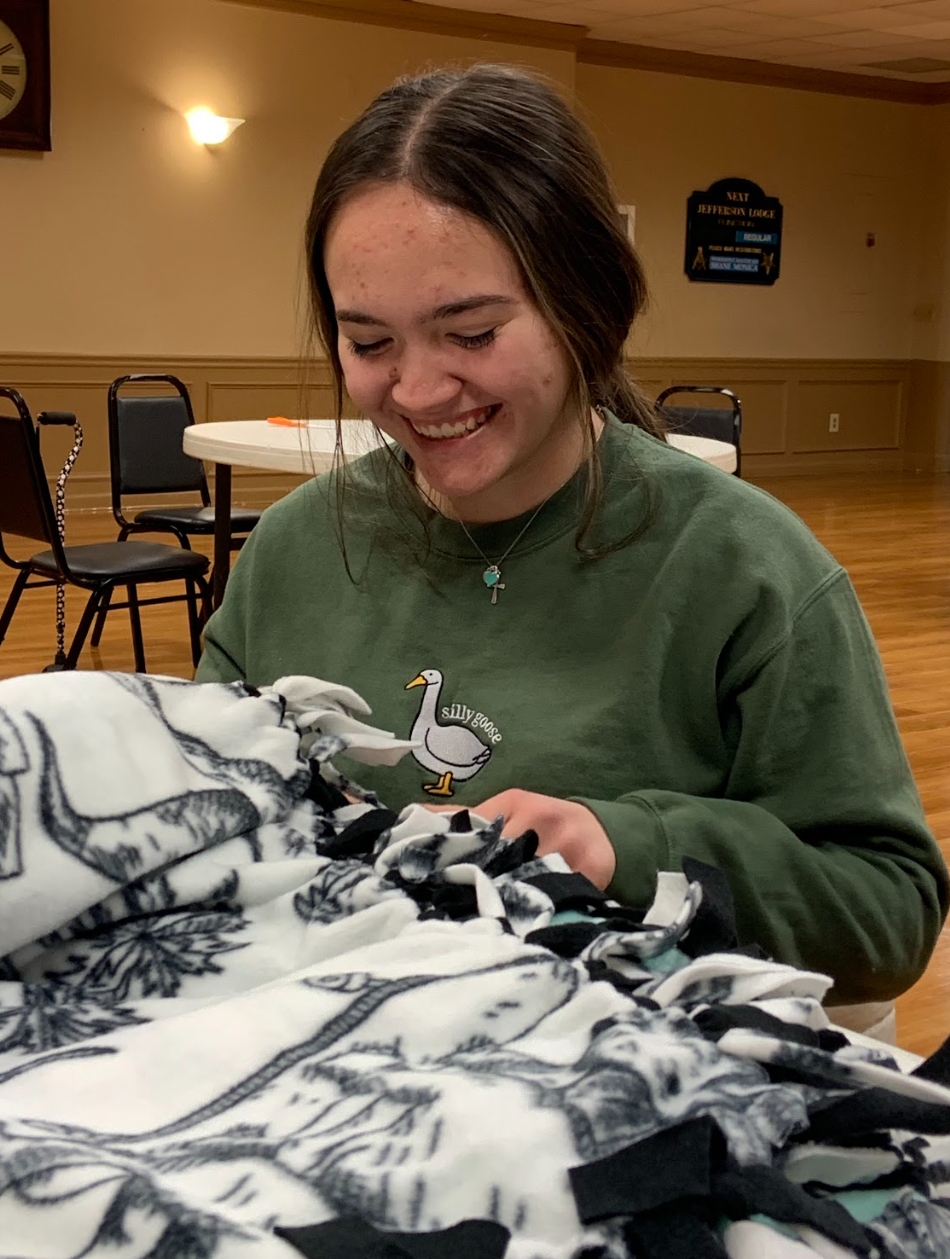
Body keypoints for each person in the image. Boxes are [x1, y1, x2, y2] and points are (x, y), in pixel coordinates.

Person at [196, 63, 948, 1008]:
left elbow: (889, 909)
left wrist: (620, 848)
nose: (417, 390)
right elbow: (197, 828)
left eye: (472, 333)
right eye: (370, 342)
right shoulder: (288, 555)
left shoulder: (746, 568)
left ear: (587, 306)